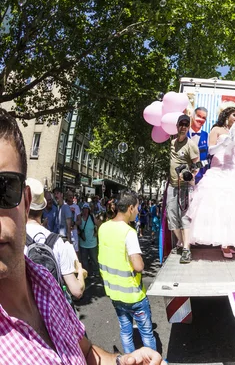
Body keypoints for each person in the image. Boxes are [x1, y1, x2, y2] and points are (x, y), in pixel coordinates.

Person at [0, 109, 165, 365]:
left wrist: (122, 361)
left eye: (3, 188)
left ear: (26, 202)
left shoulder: (45, 281)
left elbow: (86, 353)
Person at [187, 104, 235, 258]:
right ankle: (222, 245)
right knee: (218, 209)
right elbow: (210, 151)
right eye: (234, 115)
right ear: (227, 115)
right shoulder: (216, 130)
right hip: (218, 172)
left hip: (233, 173)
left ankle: (227, 244)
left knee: (233, 210)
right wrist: (223, 142)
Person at [98, 190, 158, 354]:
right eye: (137, 208)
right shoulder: (128, 233)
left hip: (114, 293)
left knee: (126, 331)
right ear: (130, 208)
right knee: (146, 334)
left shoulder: (103, 227)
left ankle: (130, 360)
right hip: (133, 295)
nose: (138, 211)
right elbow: (138, 266)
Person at [25, 178, 86, 300]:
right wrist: (79, 271)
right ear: (42, 208)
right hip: (49, 312)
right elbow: (77, 291)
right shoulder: (58, 242)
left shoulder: (10, 239)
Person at [166, 114, 200, 264]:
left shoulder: (191, 144)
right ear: (177, 126)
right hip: (172, 186)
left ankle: (186, 250)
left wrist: (188, 175)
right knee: (172, 219)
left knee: (184, 218)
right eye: (181, 124)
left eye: (186, 125)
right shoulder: (172, 143)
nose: (183, 127)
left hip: (185, 187)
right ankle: (182, 243)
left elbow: (197, 165)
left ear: (188, 127)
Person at [188, 106, 209, 184]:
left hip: (200, 180)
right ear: (193, 116)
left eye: (203, 118)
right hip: (182, 177)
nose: (201, 119)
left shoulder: (207, 136)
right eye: (198, 116)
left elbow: (208, 160)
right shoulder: (183, 134)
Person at [79, 203, 99, 278]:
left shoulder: (92, 217)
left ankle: (96, 272)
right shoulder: (79, 218)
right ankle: (86, 273)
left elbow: (99, 224)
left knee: (94, 259)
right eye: (84, 209)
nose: (85, 211)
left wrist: (96, 233)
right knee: (84, 261)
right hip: (83, 243)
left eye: (87, 209)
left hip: (92, 243)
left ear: (89, 210)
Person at [65, 190, 82, 258]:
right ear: (66, 196)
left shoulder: (76, 207)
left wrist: (74, 223)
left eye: (71, 195)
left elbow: (80, 221)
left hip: (74, 232)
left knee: (75, 252)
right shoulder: (64, 206)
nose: (70, 196)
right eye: (69, 195)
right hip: (65, 232)